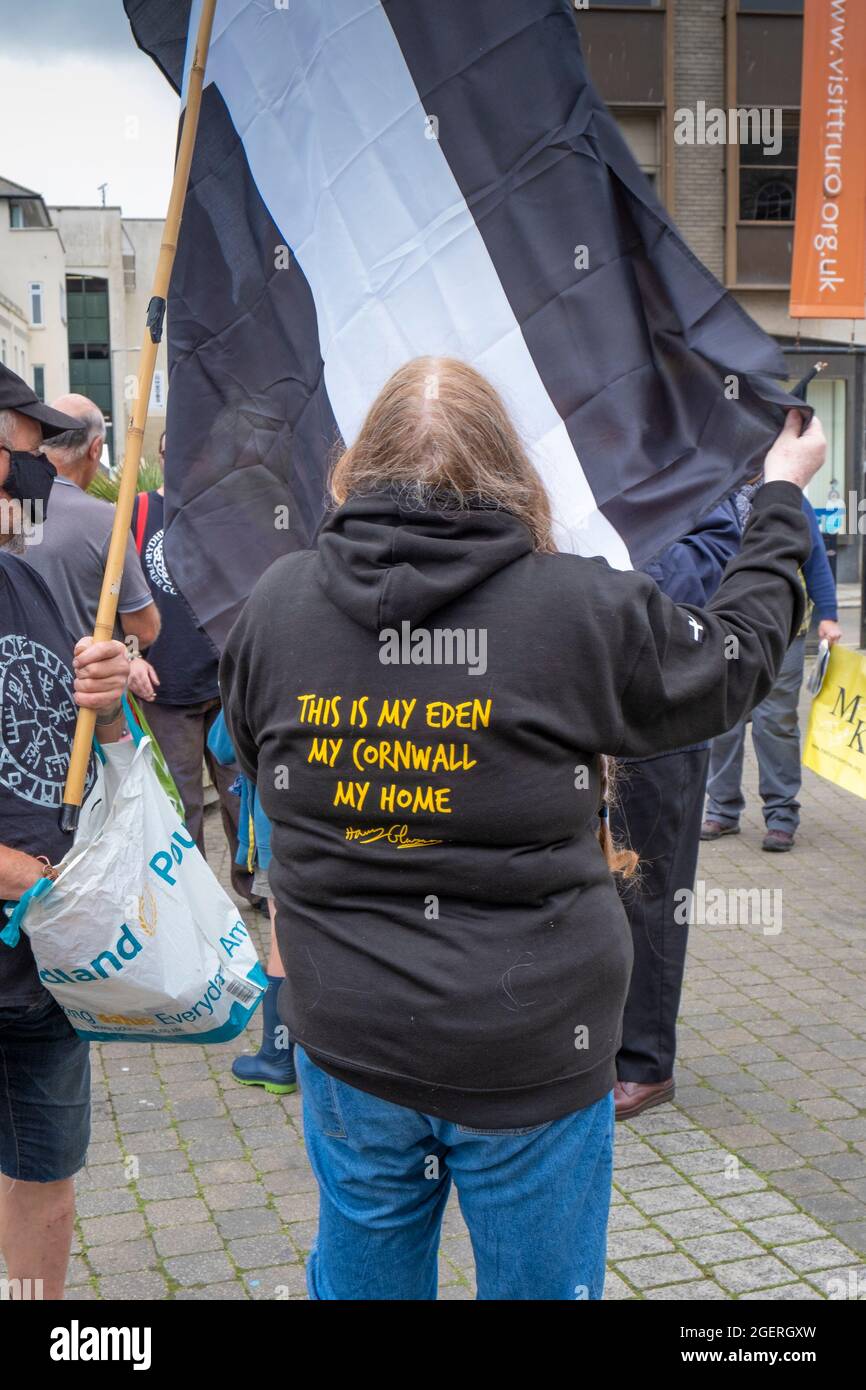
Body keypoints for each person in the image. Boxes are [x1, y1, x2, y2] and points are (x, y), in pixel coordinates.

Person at [220, 357, 822, 1301]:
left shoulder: (275, 606)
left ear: (355, 471)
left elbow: (260, 767)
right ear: (511, 470)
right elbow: (736, 663)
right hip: (530, 1046)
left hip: (349, 1034)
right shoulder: (578, 608)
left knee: (364, 1275)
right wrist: (780, 499)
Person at [0, 364, 131, 1301]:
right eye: (18, 455)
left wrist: (111, 705)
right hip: (34, 909)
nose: (32, 479)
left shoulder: (27, 577)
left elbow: (85, 751)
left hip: (40, 973)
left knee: (44, 1177)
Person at [610, 500, 741, 1121]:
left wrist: (616, 574)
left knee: (650, 894)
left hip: (664, 722)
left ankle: (645, 1065)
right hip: (589, 712)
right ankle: (599, 1045)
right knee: (595, 890)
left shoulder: (692, 468)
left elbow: (711, 562)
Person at [126, 435, 254, 900]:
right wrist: (129, 656)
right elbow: (111, 595)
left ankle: (256, 889)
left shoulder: (222, 515)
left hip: (226, 687)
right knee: (182, 807)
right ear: (160, 458)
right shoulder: (136, 514)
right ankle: (196, 901)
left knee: (243, 798)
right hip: (163, 689)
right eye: (170, 452)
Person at [702, 491, 841, 851]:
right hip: (724, 629)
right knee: (723, 722)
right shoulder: (714, 493)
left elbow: (815, 563)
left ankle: (781, 816)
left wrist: (828, 614)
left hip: (784, 631)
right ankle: (722, 810)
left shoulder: (789, 495)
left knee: (776, 721)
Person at [21, 394, 160, 654]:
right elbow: (143, 631)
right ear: (95, 448)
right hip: (80, 684)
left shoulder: (10, 507)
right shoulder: (106, 522)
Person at [208, 711, 297, 1095]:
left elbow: (223, 746)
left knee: (284, 937)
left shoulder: (261, 653)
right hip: (362, 827)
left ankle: (278, 1057)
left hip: (280, 827)